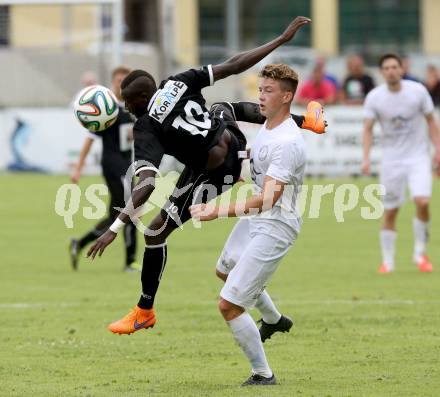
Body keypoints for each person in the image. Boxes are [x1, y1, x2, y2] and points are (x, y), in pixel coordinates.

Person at [86, 16, 325, 336]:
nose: (126, 108)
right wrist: (280, 40)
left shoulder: (145, 126)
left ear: (141, 100)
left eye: (128, 103)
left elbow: (145, 185)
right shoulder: (177, 81)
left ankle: (144, 310)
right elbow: (235, 64)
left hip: (212, 172)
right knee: (223, 105)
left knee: (155, 233)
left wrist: (115, 228)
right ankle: (302, 121)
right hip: (228, 141)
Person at [190, 63, 307, 386]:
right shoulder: (268, 127)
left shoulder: (288, 142)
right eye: (260, 89)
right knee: (225, 271)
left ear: (287, 97)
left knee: (229, 305)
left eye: (268, 91)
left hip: (276, 226)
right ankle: (274, 319)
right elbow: (254, 167)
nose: (261, 96)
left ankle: (263, 374)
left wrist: (217, 211)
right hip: (258, 219)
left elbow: (268, 198)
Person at [362, 54, 440, 273]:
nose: (391, 71)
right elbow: (367, 129)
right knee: (391, 211)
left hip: (418, 157)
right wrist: (366, 158)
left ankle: (420, 253)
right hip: (391, 161)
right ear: (381, 72)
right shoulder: (375, 97)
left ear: (401, 69)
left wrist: (438, 150)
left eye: (394, 66)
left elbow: (431, 121)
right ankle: (388, 261)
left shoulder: (417, 91)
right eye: (386, 68)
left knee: (423, 201)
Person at [69, 66, 138, 272]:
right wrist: (78, 168)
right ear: (113, 82)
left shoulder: (131, 107)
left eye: (126, 80)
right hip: (112, 164)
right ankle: (130, 262)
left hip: (127, 164)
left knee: (115, 215)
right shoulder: (106, 107)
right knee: (131, 210)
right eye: (118, 80)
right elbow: (89, 140)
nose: (121, 83)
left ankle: (79, 243)